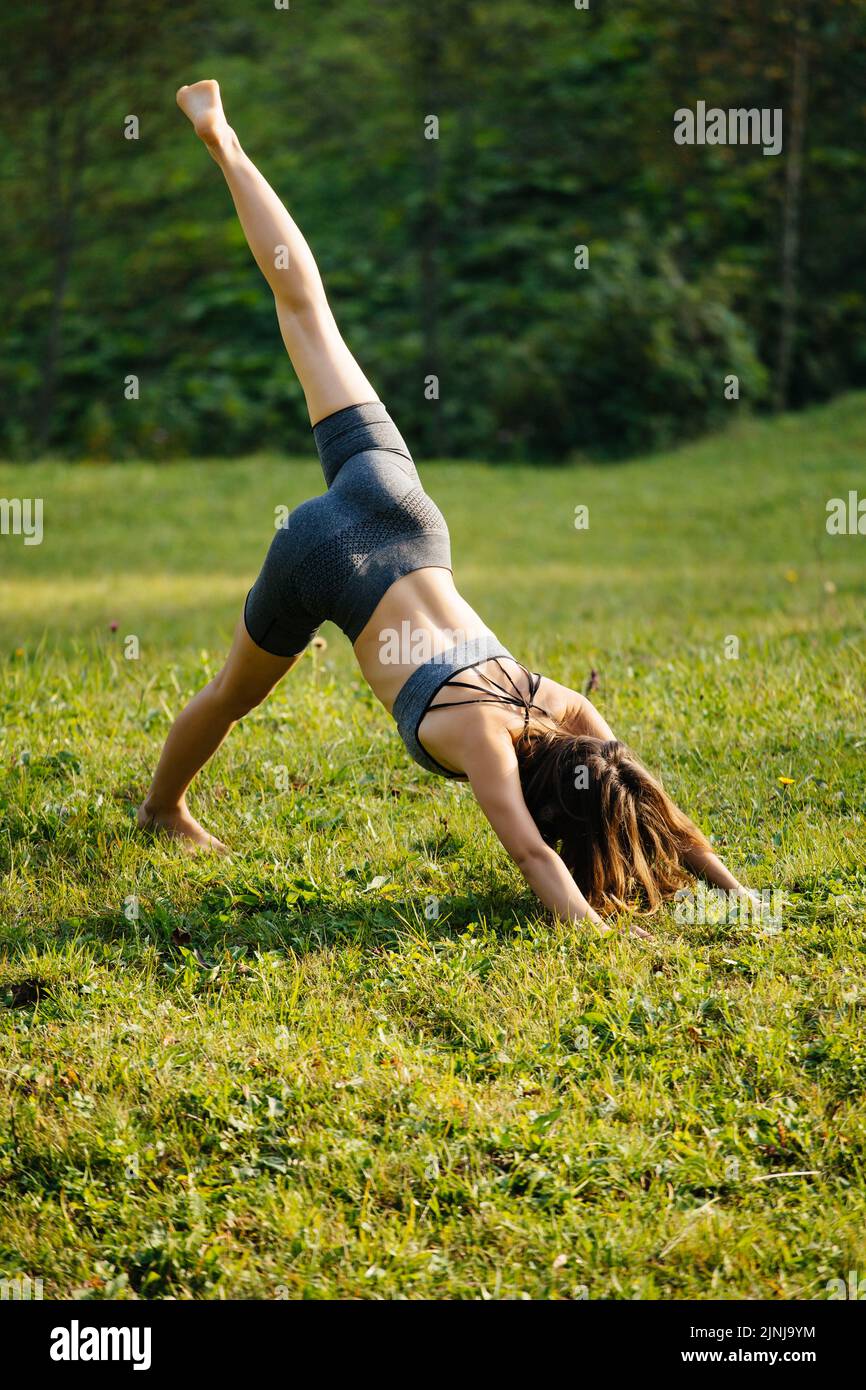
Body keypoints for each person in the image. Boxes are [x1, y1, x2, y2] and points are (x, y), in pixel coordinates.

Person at [138, 80, 754, 937]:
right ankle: (160, 811)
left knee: (309, 315)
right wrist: (616, 934)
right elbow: (541, 858)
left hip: (400, 511)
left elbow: (648, 800)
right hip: (327, 557)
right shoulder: (486, 746)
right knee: (229, 695)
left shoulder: (567, 706)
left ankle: (224, 140)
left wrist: (738, 894)